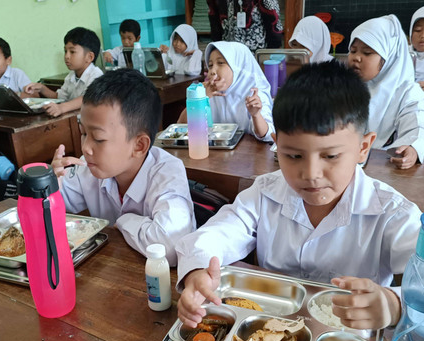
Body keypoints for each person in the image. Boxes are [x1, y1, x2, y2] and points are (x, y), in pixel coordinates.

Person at [175, 60, 424, 332]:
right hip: (272, 332)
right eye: (293, 156)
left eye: (331, 156)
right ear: (276, 144)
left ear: (364, 147)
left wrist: (394, 306)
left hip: (347, 340)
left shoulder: (391, 213)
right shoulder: (264, 193)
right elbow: (215, 235)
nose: (311, 174)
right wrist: (197, 271)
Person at [51, 69, 195, 266]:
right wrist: (49, 185)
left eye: (99, 139)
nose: (85, 148)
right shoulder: (89, 167)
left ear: (139, 146)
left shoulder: (167, 172)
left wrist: (124, 221)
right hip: (111, 272)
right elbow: (54, 210)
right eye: (83, 133)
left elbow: (170, 247)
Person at [348, 14, 424, 170]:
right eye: (353, 51)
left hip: (383, 165)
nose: (356, 58)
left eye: (367, 53)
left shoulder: (409, 93)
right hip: (344, 161)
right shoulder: (344, 85)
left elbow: (417, 124)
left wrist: (412, 147)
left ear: (390, 57)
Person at [177, 41, 274, 141]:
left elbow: (267, 135)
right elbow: (181, 127)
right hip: (215, 152)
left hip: (248, 153)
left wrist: (256, 115)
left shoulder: (254, 93)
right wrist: (199, 99)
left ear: (238, 67)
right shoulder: (209, 91)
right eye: (210, 65)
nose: (213, 71)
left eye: (220, 63)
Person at [23, 27, 103, 117]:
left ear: (89, 57)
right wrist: (42, 88)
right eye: (65, 51)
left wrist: (62, 108)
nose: (66, 56)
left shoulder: (96, 75)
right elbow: (60, 97)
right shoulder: (71, 76)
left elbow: (87, 99)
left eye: (72, 52)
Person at [207, 0, 282, 51]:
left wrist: (268, 58)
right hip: (228, 55)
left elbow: (275, 27)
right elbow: (215, 27)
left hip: (256, 56)